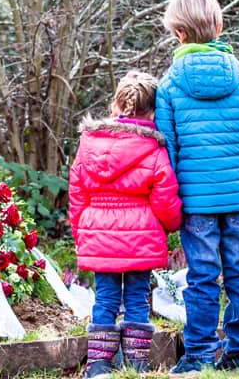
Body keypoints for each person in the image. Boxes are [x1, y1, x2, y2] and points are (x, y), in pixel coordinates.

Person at [154, 0, 239, 375]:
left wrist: (169, 208)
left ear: (179, 34)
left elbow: (165, 154)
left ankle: (200, 353)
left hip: (196, 206)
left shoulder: (171, 86)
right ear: (220, 27)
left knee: (202, 276)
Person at [69, 71, 182, 378]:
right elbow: (165, 199)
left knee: (104, 298)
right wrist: (172, 225)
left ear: (114, 107)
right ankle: (136, 364)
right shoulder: (155, 150)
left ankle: (99, 365)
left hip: (99, 234)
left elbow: (77, 192)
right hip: (141, 239)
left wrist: (80, 230)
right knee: (136, 298)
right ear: (154, 112)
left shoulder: (89, 144)